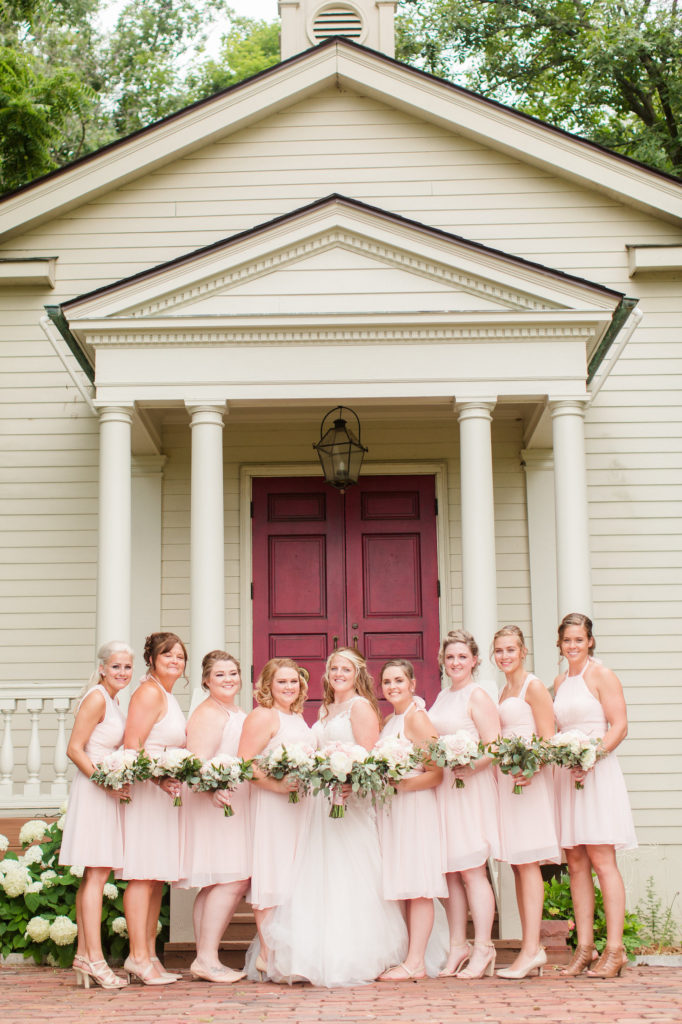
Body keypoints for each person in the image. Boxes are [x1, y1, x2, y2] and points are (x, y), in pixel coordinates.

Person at [262, 648, 407, 987]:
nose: (338, 673)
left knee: (349, 877)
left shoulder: (361, 708)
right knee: (316, 879)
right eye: (333, 668)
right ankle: (307, 956)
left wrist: (350, 787)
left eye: (345, 668)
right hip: (320, 808)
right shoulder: (325, 709)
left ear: (358, 674)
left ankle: (355, 956)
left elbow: (371, 763)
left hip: (348, 805)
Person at [553, 613, 637, 979]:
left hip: (597, 772)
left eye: (579, 639)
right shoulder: (559, 681)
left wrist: (592, 757)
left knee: (603, 860)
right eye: (567, 640)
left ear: (590, 641)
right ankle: (584, 948)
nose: (573, 646)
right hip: (568, 777)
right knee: (574, 862)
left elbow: (619, 725)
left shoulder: (602, 675)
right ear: (560, 644)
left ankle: (615, 949)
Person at [59, 641, 134, 989]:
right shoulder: (97, 698)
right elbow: (75, 748)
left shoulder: (115, 701)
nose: (122, 672)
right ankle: (95, 959)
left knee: (95, 873)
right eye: (116, 666)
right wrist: (104, 783)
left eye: (127, 667)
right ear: (103, 668)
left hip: (106, 790)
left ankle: (84, 955)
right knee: (97, 873)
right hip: (95, 791)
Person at [428, 629, 500, 979]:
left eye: (462, 657)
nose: (455, 662)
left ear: (474, 660)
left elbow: (494, 746)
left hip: (469, 789)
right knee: (450, 872)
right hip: (445, 788)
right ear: (443, 660)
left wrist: (470, 766)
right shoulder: (442, 696)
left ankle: (484, 946)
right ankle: (458, 946)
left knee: (472, 870)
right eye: (450, 656)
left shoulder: (478, 695)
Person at [177, 650, 250, 983]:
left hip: (231, 804)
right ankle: (207, 958)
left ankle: (205, 957)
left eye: (233, 672)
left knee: (221, 879)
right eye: (220, 674)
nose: (228, 679)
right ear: (206, 680)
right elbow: (195, 763)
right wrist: (210, 791)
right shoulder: (208, 713)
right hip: (216, 804)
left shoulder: (233, 710)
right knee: (232, 877)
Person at [492, 625, 560, 980]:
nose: (505, 656)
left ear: (523, 651)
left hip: (529, 783)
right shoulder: (504, 689)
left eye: (510, 650)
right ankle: (529, 947)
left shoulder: (534, 687)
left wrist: (531, 769)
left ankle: (532, 950)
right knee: (518, 865)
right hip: (509, 784)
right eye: (499, 651)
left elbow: (548, 739)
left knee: (529, 863)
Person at [237, 657, 312, 979]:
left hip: (299, 808)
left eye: (293, 681)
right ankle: (268, 954)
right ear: (268, 685)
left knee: (294, 875)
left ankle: (289, 951)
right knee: (273, 872)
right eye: (282, 682)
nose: (288, 687)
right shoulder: (263, 715)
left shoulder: (297, 717)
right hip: (272, 806)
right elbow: (243, 763)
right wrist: (277, 786)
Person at [121, 631, 187, 985]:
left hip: (164, 796)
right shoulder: (148, 692)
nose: (175, 661)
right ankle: (137, 956)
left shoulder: (167, 695)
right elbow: (133, 745)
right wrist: (159, 779)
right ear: (152, 660)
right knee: (142, 874)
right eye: (168, 656)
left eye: (179, 656)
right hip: (149, 794)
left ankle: (149, 953)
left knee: (155, 878)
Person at [376, 659, 446, 981]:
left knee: (418, 885)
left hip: (416, 808)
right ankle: (409, 956)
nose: (393, 687)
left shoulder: (417, 719)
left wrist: (401, 784)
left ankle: (416, 961)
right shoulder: (392, 720)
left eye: (399, 680)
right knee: (405, 882)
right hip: (397, 810)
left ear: (413, 684)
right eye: (387, 681)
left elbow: (436, 773)